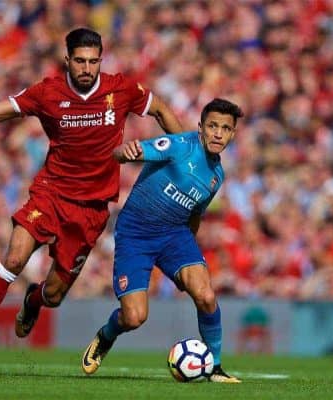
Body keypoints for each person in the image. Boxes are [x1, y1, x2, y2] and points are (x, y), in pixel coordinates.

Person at [0, 28, 183, 371]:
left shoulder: (121, 89)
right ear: (67, 61)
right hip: (51, 194)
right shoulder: (47, 93)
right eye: (80, 61)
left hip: (91, 209)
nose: (87, 68)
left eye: (93, 62)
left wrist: (185, 151)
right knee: (14, 259)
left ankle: (32, 300)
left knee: (54, 296)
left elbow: (160, 108)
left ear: (100, 61)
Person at [81, 98, 243, 383]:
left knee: (205, 296)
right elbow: (124, 152)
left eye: (225, 129)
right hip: (136, 234)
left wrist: (183, 261)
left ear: (232, 134)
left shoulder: (217, 176)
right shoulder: (180, 145)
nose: (218, 133)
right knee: (134, 317)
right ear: (201, 128)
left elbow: (194, 215)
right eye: (213, 126)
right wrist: (125, 152)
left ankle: (215, 367)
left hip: (175, 236)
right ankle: (106, 335)